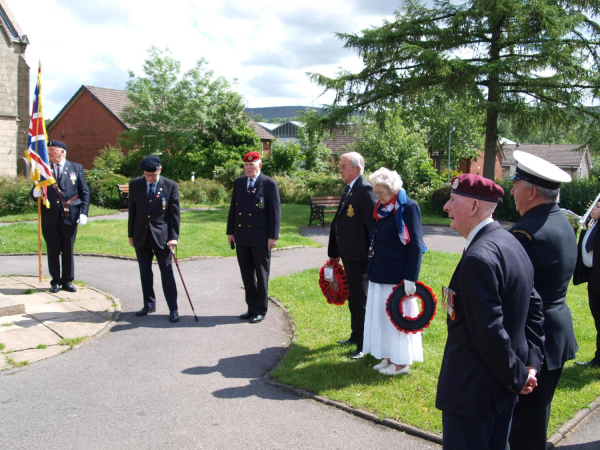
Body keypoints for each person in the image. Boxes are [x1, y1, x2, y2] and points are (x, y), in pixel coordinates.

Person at [436, 174, 544, 450]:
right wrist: (529, 364)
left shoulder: (479, 257)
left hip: (474, 395)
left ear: (473, 207)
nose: (446, 207)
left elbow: (489, 332)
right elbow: (534, 306)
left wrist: (519, 375)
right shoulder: (509, 241)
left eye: (452, 200)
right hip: (501, 388)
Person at [507, 151, 578, 450]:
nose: (511, 191)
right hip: (555, 332)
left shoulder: (527, 233)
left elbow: (513, 292)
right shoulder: (559, 221)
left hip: (535, 339)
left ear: (532, 192)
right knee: (535, 419)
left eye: (516, 184)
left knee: (524, 427)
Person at [363, 168, 424, 375]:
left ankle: (401, 363)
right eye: (376, 191)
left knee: (397, 318)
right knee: (382, 317)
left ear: (393, 189)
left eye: (381, 192)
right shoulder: (382, 208)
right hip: (379, 271)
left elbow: (415, 245)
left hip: (397, 275)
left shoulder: (408, 207)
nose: (377, 196)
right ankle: (389, 356)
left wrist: (411, 277)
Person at [328, 152, 377, 359]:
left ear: (357, 169)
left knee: (360, 300)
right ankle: (355, 335)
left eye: (344, 166)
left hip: (360, 257)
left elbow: (373, 225)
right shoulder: (350, 188)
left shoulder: (365, 189)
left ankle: (364, 344)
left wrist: (369, 253)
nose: (340, 169)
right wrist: (335, 253)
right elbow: (339, 223)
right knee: (354, 299)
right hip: (349, 255)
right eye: (340, 166)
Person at [227, 151, 281, 324]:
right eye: (246, 165)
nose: (248, 168)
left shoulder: (269, 184)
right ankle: (251, 307)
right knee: (247, 275)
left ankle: (261, 310)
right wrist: (230, 232)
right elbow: (233, 210)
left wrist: (273, 237)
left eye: (252, 164)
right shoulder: (239, 183)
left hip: (260, 237)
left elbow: (275, 213)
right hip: (242, 236)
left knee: (261, 274)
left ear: (260, 165)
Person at [31, 140, 90, 293]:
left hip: (69, 215)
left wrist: (83, 213)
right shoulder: (44, 169)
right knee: (53, 248)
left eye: (52, 150)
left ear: (62, 152)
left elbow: (84, 193)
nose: (48, 153)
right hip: (49, 216)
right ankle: (55, 280)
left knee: (68, 248)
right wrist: (35, 192)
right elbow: (35, 190)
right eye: (48, 150)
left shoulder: (75, 168)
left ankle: (67, 280)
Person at [128, 155, 181, 323]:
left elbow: (174, 214)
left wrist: (173, 237)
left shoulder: (170, 185)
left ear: (160, 170)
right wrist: (131, 234)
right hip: (141, 236)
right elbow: (132, 211)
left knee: (167, 273)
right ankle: (149, 304)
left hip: (162, 237)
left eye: (153, 175)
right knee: (145, 272)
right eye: (147, 175)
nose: (150, 179)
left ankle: (173, 308)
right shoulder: (135, 184)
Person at [574, 199, 600, 366]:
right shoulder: (593, 223)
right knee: (597, 318)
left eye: (597, 206)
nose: (593, 209)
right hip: (593, 277)